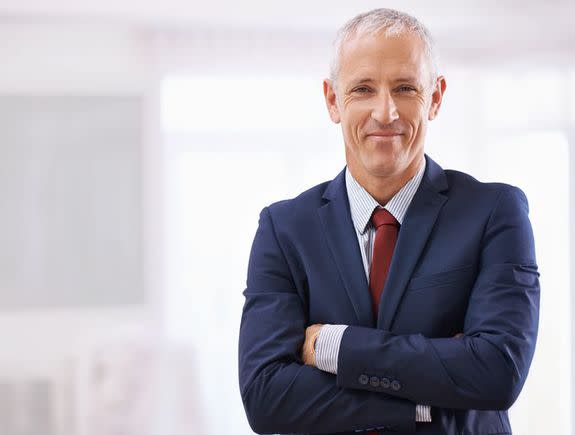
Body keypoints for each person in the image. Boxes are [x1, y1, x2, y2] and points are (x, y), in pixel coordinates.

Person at [238, 8, 539, 435]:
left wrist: (332, 345)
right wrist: (425, 401)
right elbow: (267, 398)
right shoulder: (284, 229)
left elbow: (497, 372)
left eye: (404, 88)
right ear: (332, 100)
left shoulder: (495, 213)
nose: (385, 112)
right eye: (363, 89)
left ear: (434, 98)